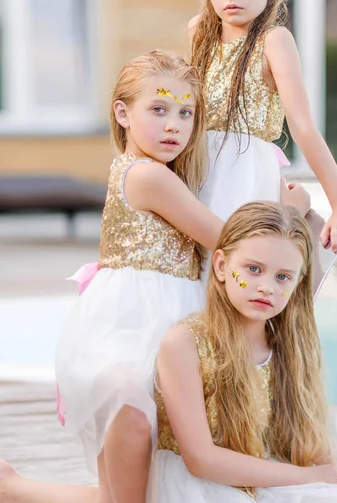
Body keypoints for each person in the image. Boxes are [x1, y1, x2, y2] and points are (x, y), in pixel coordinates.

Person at [0, 51, 312, 503]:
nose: (174, 125)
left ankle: (14, 488)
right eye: (159, 109)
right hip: (134, 322)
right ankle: (16, 488)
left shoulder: (167, 176)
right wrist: (292, 212)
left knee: (140, 490)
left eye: (186, 113)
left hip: (168, 312)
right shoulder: (149, 177)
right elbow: (227, 238)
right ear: (123, 113)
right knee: (135, 437)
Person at [153, 202, 337, 503]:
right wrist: (311, 477)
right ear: (221, 266)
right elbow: (201, 459)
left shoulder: (289, 346)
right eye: (253, 270)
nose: (266, 287)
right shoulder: (184, 343)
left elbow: (313, 450)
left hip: (274, 476)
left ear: (297, 283)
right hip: (202, 486)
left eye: (283, 277)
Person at [190, 0, 337, 257]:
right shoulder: (199, 35)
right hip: (198, 175)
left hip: (246, 179)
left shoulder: (274, 41)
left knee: (243, 268)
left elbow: (302, 127)